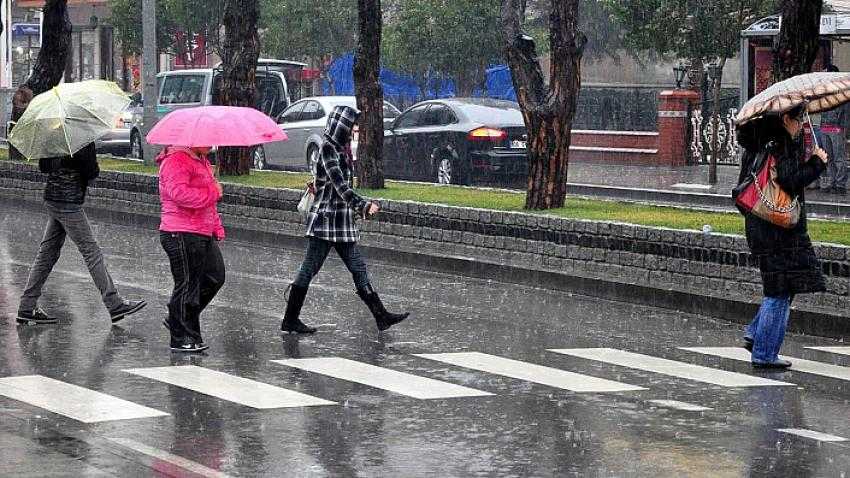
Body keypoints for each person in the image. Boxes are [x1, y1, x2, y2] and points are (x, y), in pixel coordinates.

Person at [281, 105, 409, 334]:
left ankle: (381, 316)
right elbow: (340, 186)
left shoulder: (341, 150)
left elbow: (339, 185)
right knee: (309, 269)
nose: (353, 130)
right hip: (326, 221)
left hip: (341, 222)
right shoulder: (329, 149)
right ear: (341, 126)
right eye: (350, 126)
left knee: (358, 267)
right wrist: (364, 205)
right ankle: (290, 319)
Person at [736, 105, 828, 369]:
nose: (801, 125)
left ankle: (757, 333)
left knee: (782, 285)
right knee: (780, 289)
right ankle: (764, 353)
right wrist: (816, 163)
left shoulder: (757, 141)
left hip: (760, 225)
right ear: (786, 118)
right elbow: (790, 180)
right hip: (780, 229)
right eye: (798, 119)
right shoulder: (781, 143)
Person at [17, 142, 147, 325]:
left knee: (46, 254)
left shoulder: (55, 135)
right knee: (91, 251)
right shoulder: (83, 140)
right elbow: (91, 172)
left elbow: (44, 167)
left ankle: (26, 306)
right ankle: (114, 303)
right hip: (69, 202)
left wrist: (61, 160)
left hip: (53, 197)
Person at [157, 145, 226, 353]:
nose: (212, 145)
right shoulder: (176, 160)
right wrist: (213, 191)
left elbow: (208, 206)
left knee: (215, 277)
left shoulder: (201, 160)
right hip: (180, 231)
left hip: (202, 232)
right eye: (207, 140)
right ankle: (181, 337)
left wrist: (216, 227)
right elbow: (180, 195)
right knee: (187, 284)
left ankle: (179, 319)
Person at [817, 64, 850, 194]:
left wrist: (845, 129)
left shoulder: (842, 91)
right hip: (825, 127)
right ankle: (832, 182)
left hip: (837, 128)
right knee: (829, 157)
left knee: (839, 157)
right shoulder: (824, 91)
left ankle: (840, 184)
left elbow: (846, 111)